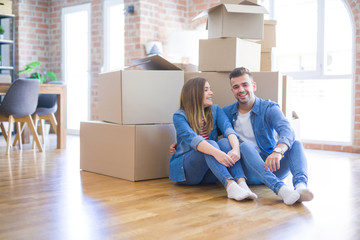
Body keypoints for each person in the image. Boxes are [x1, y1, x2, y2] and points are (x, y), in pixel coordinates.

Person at [222, 67, 314, 205]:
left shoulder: (269, 108)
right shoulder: (227, 113)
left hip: (272, 166)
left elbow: (286, 129)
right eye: (236, 87)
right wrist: (180, 144)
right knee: (244, 146)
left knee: (296, 143)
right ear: (232, 91)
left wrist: (278, 151)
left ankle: (301, 187)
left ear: (253, 86)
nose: (241, 90)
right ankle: (281, 189)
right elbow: (208, 134)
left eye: (245, 84)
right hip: (248, 172)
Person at [169, 77, 257, 201]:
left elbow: (229, 130)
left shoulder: (215, 110)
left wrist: (236, 149)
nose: (211, 93)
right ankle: (230, 185)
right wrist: (217, 153)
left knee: (225, 142)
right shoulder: (179, 116)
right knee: (210, 144)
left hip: (211, 173)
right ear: (194, 94)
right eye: (206, 90)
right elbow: (195, 140)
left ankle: (242, 184)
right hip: (188, 173)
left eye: (210, 89)